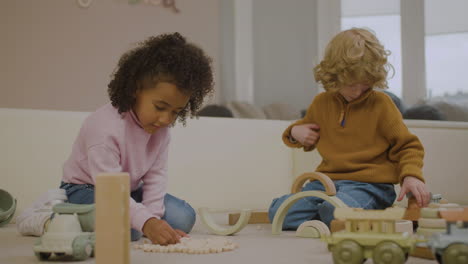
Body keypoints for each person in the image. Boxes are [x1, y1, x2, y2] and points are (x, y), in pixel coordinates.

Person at [17, 33, 214, 245]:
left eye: (176, 111)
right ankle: (48, 217)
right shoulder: (104, 128)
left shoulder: (161, 130)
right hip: (86, 189)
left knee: (183, 217)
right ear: (136, 89)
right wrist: (145, 222)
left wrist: (153, 219)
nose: (166, 119)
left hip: (128, 191)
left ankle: (127, 220)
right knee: (128, 231)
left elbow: (156, 177)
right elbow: (109, 189)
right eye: (160, 107)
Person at [268, 28, 431, 230]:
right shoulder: (321, 103)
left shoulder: (382, 104)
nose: (357, 92)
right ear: (334, 76)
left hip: (370, 187)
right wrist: (295, 133)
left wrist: (411, 175)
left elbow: (408, 146)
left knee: (335, 211)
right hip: (326, 183)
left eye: (365, 86)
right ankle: (335, 217)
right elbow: (301, 129)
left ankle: (340, 216)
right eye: (351, 85)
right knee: (279, 212)